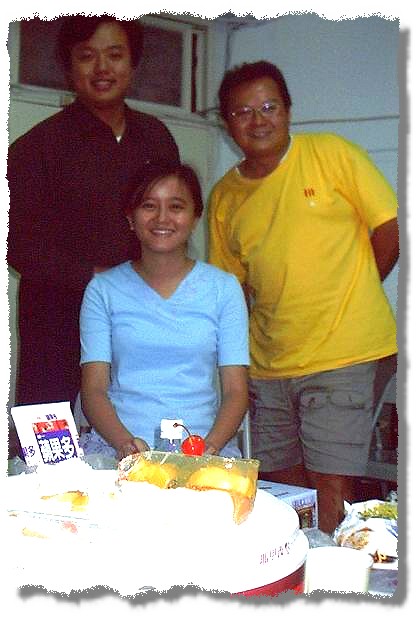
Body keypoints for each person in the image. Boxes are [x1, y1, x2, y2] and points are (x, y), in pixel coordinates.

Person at [208, 60, 398, 533]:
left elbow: (390, 229)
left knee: (331, 489)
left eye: (269, 107)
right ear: (227, 122)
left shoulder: (331, 153)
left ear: (289, 111)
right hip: (268, 364)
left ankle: (336, 573)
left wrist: (353, 292)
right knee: (285, 492)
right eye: (243, 112)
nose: (258, 120)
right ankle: (300, 567)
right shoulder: (226, 195)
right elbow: (229, 289)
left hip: (343, 354)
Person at [7, 15, 180, 453]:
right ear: (69, 67)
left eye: (114, 55)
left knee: (145, 440)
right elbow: (17, 245)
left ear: (133, 64)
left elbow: (172, 223)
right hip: (57, 320)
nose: (102, 68)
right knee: (45, 452)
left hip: (141, 317)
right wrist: (98, 277)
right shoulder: (35, 147)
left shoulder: (156, 138)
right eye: (87, 56)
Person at [79, 161, 249, 461]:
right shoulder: (103, 290)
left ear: (195, 217)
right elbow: (93, 390)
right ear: (130, 217)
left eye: (176, 207)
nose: (162, 218)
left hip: (203, 448)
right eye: (149, 206)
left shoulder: (224, 288)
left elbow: (236, 391)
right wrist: (126, 445)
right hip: (121, 449)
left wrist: (207, 450)